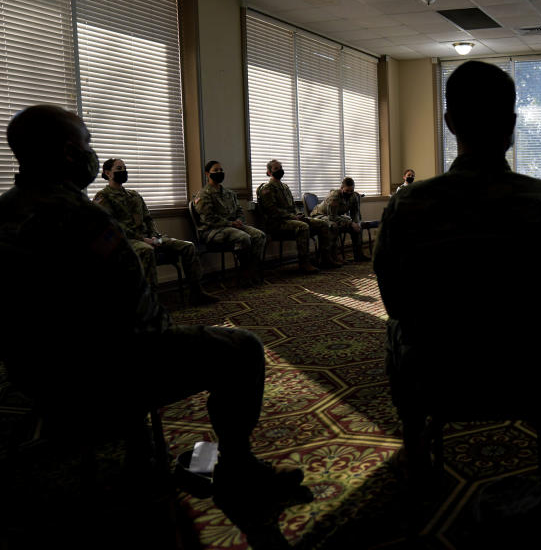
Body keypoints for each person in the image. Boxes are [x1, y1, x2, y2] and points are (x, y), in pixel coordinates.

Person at [0, 105, 310, 543]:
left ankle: (134, 445)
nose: (93, 155)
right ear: (71, 153)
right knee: (243, 348)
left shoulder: (4, 213)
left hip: (33, 373)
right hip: (108, 371)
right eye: (88, 145)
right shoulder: (82, 218)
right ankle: (237, 470)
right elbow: (141, 313)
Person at [374, 61, 541, 478]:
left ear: (450, 122)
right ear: (512, 125)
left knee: (395, 329)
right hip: (535, 372)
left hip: (439, 373)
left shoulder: (407, 205)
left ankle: (413, 444)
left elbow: (395, 301)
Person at [94, 158, 218, 305]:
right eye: (119, 169)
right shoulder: (103, 197)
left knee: (188, 246)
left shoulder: (134, 195)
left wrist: (153, 235)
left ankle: (197, 292)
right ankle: (151, 302)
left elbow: (148, 218)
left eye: (124, 168)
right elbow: (113, 226)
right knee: (147, 250)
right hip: (128, 241)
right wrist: (142, 239)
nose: (123, 172)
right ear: (108, 173)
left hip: (150, 238)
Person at [256, 159, 340, 272]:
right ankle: (304, 263)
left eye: (280, 168)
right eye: (276, 169)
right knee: (303, 226)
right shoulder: (267, 188)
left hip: (291, 219)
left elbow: (292, 206)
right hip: (276, 223)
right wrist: (293, 217)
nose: (280, 170)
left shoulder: (285, 187)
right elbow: (272, 211)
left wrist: (298, 214)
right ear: (269, 172)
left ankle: (325, 258)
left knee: (323, 224)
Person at [194, 160, 266, 286]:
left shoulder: (229, 193)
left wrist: (239, 221)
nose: (219, 172)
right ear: (207, 174)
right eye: (215, 170)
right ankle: (244, 274)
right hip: (212, 231)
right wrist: (230, 223)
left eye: (221, 170)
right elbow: (209, 219)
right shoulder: (204, 194)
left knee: (260, 236)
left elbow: (239, 211)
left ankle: (251, 270)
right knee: (244, 238)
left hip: (234, 227)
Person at [310, 177, 369, 262]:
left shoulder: (354, 196)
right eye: (347, 191)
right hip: (319, 215)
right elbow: (332, 217)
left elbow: (355, 213)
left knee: (357, 227)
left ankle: (358, 255)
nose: (349, 193)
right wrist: (350, 223)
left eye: (351, 191)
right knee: (333, 225)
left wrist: (357, 224)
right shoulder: (334, 196)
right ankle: (331, 257)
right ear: (341, 188)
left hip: (335, 215)